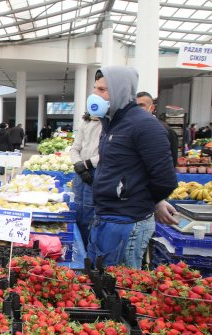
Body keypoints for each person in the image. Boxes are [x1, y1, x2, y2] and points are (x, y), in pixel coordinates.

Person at [86, 66, 177, 267]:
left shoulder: (144, 126)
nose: (95, 95)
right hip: (106, 216)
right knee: (101, 283)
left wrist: (149, 200)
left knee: (121, 287)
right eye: (95, 89)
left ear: (120, 90)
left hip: (128, 222)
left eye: (102, 90)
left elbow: (165, 180)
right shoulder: (112, 124)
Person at [69, 113, 101, 247]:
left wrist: (87, 164)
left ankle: (89, 251)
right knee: (78, 208)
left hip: (97, 171)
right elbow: (74, 148)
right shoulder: (85, 122)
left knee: (91, 212)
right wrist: (79, 166)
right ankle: (78, 248)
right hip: (81, 173)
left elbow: (110, 152)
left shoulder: (112, 123)